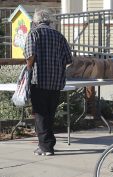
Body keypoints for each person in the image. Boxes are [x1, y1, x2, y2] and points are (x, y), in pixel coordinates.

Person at [24, 7, 72, 156]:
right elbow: (68, 60)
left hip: (39, 80)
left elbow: (30, 55)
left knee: (40, 114)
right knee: (50, 114)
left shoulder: (34, 33)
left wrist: (29, 68)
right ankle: (48, 144)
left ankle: (45, 148)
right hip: (56, 81)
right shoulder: (59, 35)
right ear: (49, 21)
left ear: (36, 21)